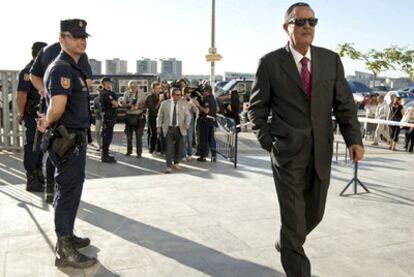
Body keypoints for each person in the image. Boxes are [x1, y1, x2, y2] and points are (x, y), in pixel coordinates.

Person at [247, 3, 364, 276]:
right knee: (293, 220)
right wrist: (269, 141)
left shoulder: (330, 60)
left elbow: (344, 103)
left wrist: (353, 139)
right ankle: (293, 250)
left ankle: (287, 241)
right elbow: (256, 107)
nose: (307, 26)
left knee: (314, 215)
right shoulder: (270, 63)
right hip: (287, 155)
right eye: (300, 22)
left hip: (321, 153)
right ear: (286, 26)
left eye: (312, 21)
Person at [36, 19, 97, 268]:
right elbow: (57, 107)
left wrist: (47, 121)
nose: (81, 40)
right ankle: (64, 248)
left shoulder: (71, 67)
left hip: (73, 140)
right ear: (62, 39)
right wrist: (47, 121)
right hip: (67, 141)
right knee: (68, 190)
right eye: (75, 36)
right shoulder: (62, 68)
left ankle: (68, 235)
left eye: (83, 37)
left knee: (71, 189)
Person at [30, 41, 92, 203]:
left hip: (49, 108)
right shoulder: (76, 53)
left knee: (53, 150)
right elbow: (88, 81)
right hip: (68, 112)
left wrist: (44, 90)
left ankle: (51, 188)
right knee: (63, 151)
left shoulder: (45, 51)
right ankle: (60, 192)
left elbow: (33, 75)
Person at [16, 41, 47, 192]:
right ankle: (31, 178)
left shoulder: (43, 70)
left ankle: (38, 172)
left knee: (41, 146)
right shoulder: (28, 71)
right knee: (32, 146)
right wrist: (21, 113)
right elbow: (21, 95)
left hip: (44, 116)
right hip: (32, 115)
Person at [156, 87, 190, 173]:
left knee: (179, 147)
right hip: (168, 128)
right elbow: (160, 116)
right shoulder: (165, 104)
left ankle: (176, 163)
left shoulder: (183, 103)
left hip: (180, 128)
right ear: (172, 95)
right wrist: (158, 126)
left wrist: (187, 123)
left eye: (180, 95)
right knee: (169, 148)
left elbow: (187, 115)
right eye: (177, 95)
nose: (179, 96)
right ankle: (168, 166)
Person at [121, 80, 147, 157]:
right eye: (131, 87)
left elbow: (145, 104)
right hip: (129, 116)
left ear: (137, 86)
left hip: (139, 117)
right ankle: (129, 151)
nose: (133, 88)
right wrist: (128, 105)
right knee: (129, 136)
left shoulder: (142, 93)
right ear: (129, 87)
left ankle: (139, 153)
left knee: (139, 136)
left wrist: (137, 107)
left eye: (134, 86)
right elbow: (123, 104)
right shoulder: (126, 93)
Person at [194, 84, 217, 162]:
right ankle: (214, 155)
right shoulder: (213, 98)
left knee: (203, 138)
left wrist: (198, 105)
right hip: (211, 121)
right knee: (211, 139)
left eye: (204, 91)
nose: (203, 92)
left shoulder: (207, 99)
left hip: (205, 122)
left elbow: (206, 110)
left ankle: (203, 156)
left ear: (207, 91)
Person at [100, 77, 118, 162]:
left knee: (107, 136)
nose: (111, 83)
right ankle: (105, 156)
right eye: (109, 82)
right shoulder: (106, 93)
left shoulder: (107, 93)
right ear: (105, 83)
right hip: (109, 117)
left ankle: (105, 154)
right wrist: (115, 104)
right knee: (107, 136)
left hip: (110, 117)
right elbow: (115, 104)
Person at [146, 81, 162, 156]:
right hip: (152, 117)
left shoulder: (161, 96)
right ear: (152, 89)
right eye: (157, 88)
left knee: (160, 133)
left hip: (160, 117)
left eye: (159, 88)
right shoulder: (149, 97)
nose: (158, 90)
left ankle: (159, 149)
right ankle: (152, 150)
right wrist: (159, 101)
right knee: (153, 133)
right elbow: (153, 109)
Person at [182, 87, 197, 160]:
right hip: (182, 121)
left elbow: (194, 111)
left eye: (190, 93)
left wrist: (194, 107)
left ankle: (189, 154)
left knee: (189, 138)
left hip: (190, 121)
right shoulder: (180, 100)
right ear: (184, 93)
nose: (189, 94)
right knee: (183, 138)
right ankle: (183, 154)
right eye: (188, 92)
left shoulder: (191, 100)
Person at [93, 85, 103, 151]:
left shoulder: (105, 98)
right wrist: (97, 111)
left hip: (105, 117)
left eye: (101, 91)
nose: (99, 92)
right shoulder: (95, 99)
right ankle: (99, 145)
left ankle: (105, 146)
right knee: (96, 132)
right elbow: (95, 109)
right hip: (98, 117)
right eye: (98, 91)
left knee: (105, 132)